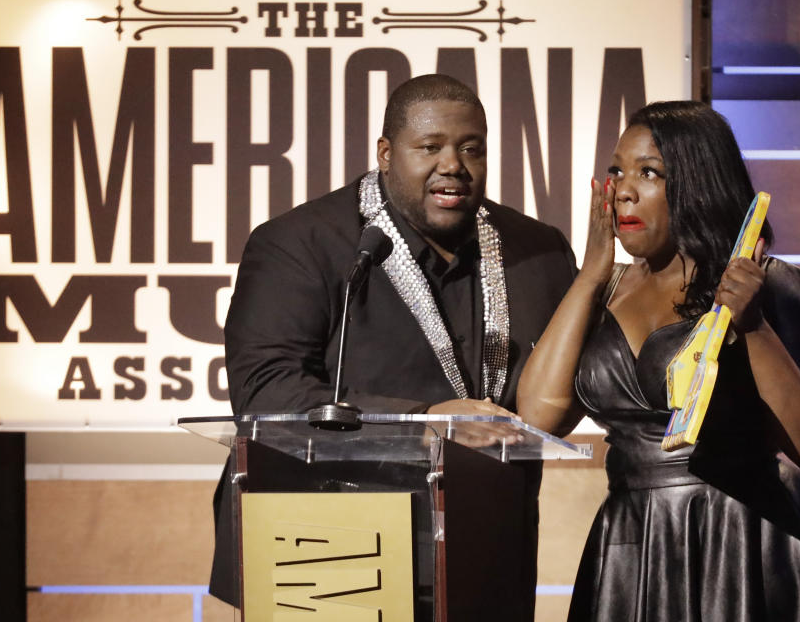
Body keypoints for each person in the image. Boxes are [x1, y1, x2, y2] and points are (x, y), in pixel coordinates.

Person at [209, 74, 578, 614]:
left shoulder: (537, 251)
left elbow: (570, 380)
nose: (452, 164)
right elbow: (266, 392)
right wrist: (425, 418)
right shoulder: (302, 243)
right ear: (385, 153)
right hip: (331, 548)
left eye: (470, 148)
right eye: (429, 147)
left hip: (486, 544)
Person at [517, 101, 800, 621]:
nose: (623, 189)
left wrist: (751, 326)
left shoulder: (764, 284)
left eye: (649, 173)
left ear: (697, 182)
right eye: (617, 170)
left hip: (742, 536)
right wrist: (593, 272)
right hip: (632, 539)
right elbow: (538, 416)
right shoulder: (606, 288)